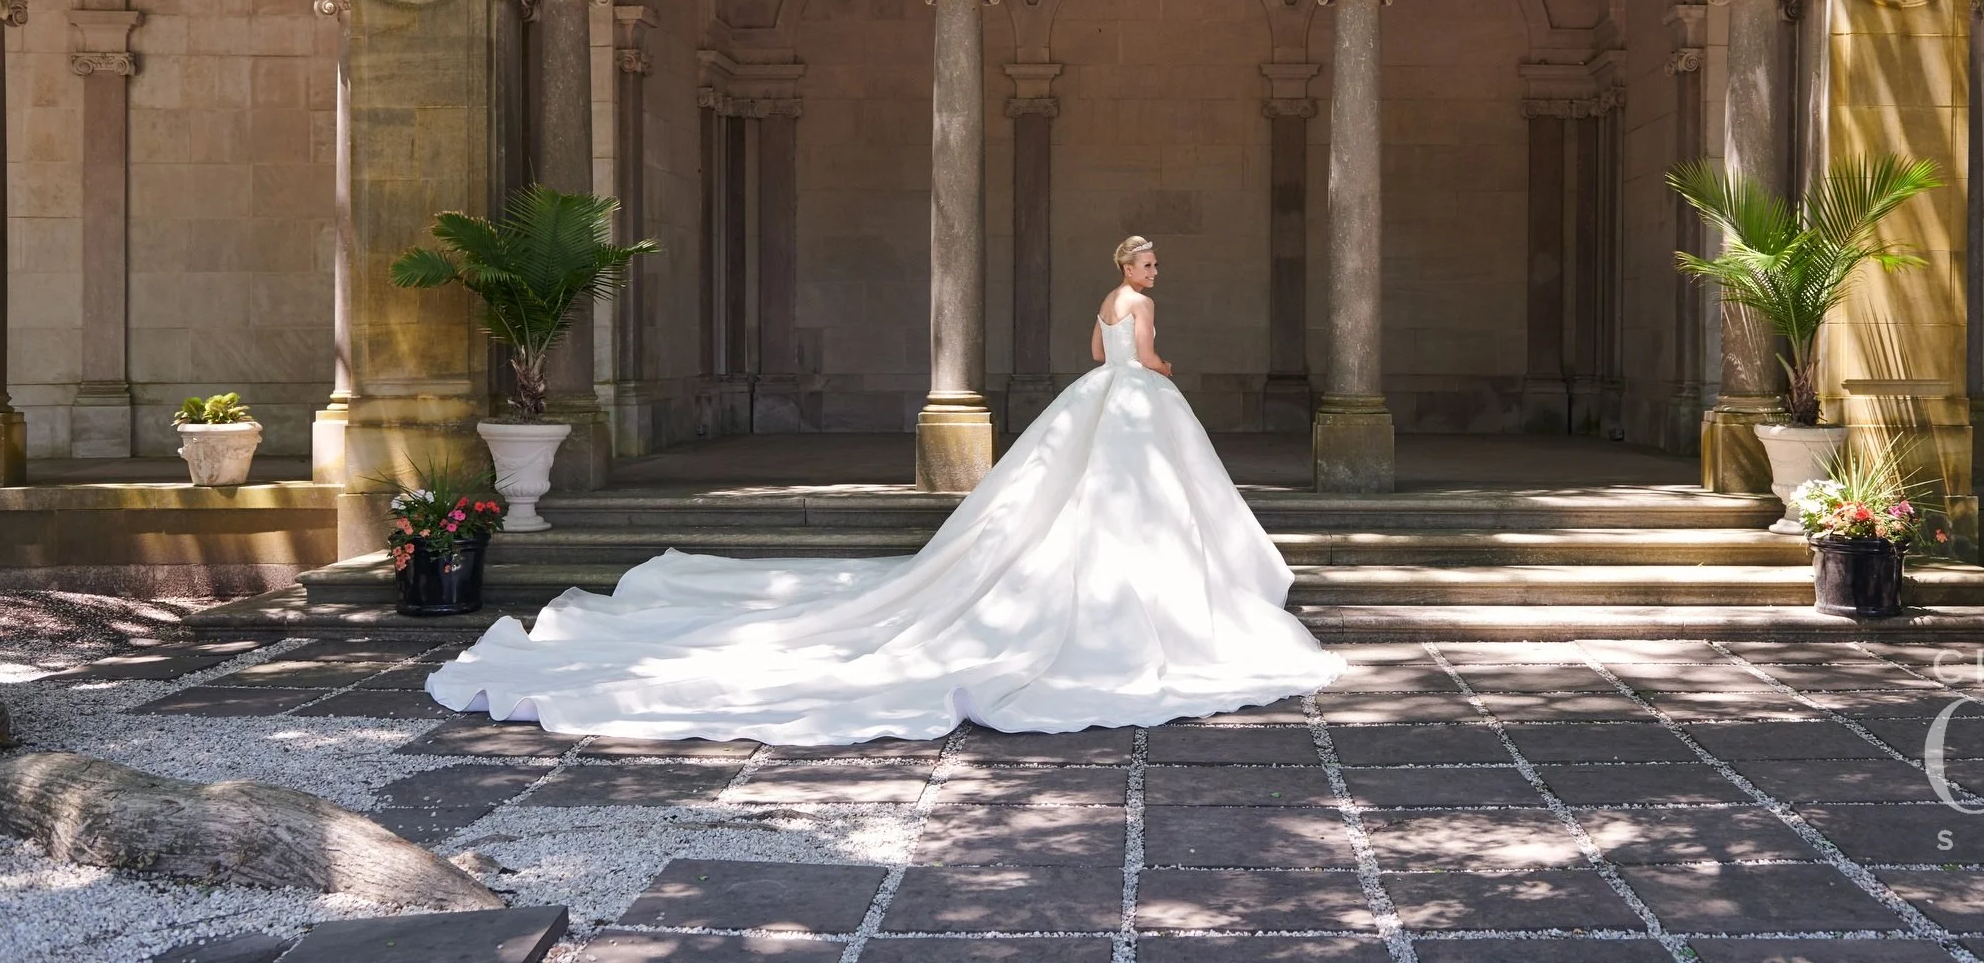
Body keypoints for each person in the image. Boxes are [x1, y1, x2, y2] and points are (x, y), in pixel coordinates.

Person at [425, 236, 1345, 743]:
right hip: (1134, 403)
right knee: (1132, 497)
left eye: (1151, 269)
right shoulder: (1138, 310)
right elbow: (1140, 361)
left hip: (1096, 401)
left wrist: (1131, 362)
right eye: (1147, 266)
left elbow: (1093, 358)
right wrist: (1167, 363)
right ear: (1131, 270)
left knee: (1089, 497)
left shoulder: (1100, 305)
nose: (1151, 277)